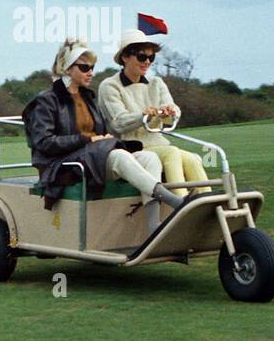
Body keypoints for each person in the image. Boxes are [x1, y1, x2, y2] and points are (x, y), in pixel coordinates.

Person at [23, 39, 181, 214]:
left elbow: (101, 132)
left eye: (92, 67)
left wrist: (103, 138)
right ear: (67, 69)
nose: (90, 72)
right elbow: (44, 142)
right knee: (119, 155)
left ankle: (154, 228)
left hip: (93, 157)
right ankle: (174, 200)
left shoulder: (88, 98)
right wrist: (87, 139)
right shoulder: (47, 100)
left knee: (149, 157)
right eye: (84, 68)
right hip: (64, 165)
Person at [98, 29, 208, 196]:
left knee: (192, 159)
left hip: (158, 143)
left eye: (151, 57)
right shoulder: (110, 86)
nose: (147, 62)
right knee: (172, 153)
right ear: (125, 57)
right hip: (131, 147)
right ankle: (180, 205)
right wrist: (144, 116)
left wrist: (170, 113)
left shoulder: (156, 82)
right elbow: (118, 123)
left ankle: (209, 207)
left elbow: (172, 113)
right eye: (142, 57)